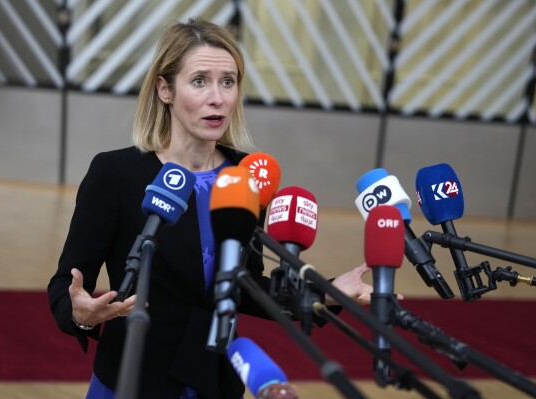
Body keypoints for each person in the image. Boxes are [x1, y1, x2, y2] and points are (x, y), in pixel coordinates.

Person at [47, 18, 373, 399]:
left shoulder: (246, 176)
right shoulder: (116, 173)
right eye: (200, 80)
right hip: (135, 380)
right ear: (164, 89)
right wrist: (79, 316)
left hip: (213, 380)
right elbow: (65, 286)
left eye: (228, 81)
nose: (217, 98)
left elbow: (242, 288)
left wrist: (329, 291)